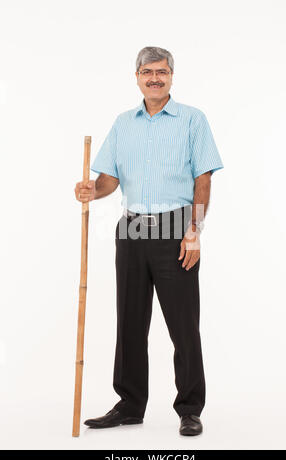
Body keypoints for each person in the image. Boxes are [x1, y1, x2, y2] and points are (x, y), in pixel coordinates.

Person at [74, 46, 224, 436]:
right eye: (146, 71)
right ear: (137, 77)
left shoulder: (193, 120)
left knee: (183, 325)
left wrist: (195, 231)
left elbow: (203, 179)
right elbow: (111, 179)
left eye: (161, 71)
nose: (154, 77)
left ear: (172, 76)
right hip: (132, 228)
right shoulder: (124, 124)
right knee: (129, 320)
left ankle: (190, 408)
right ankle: (129, 405)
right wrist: (93, 188)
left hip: (175, 228)